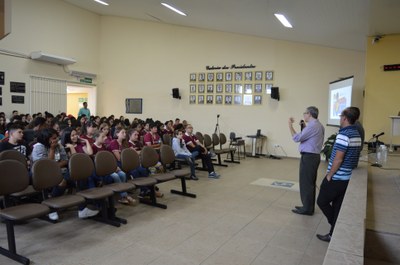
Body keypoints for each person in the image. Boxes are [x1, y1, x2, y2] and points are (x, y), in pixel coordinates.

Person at [316, 107, 362, 242]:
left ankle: (336, 226)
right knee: (337, 206)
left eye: (341, 115)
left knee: (322, 201)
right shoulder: (356, 134)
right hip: (347, 177)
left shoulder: (344, 135)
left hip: (337, 177)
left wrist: (329, 175)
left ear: (345, 118)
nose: (340, 118)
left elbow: (338, 159)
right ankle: (333, 233)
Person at [31, 128, 99, 220]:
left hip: (60, 172)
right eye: (53, 138)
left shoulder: (59, 146)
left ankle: (82, 210)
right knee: (61, 182)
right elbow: (45, 166)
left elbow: (66, 161)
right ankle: (51, 208)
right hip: (43, 175)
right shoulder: (38, 147)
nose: (56, 140)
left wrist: (55, 165)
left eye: (56, 138)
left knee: (80, 175)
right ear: (46, 139)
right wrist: (51, 149)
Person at [288, 106, 324, 216]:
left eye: (305, 113)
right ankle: (307, 206)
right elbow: (307, 137)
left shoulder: (312, 126)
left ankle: (307, 209)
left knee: (306, 183)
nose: (304, 115)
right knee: (309, 182)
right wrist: (303, 127)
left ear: (309, 114)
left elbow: (297, 138)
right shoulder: (319, 125)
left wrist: (290, 125)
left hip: (309, 157)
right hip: (313, 156)